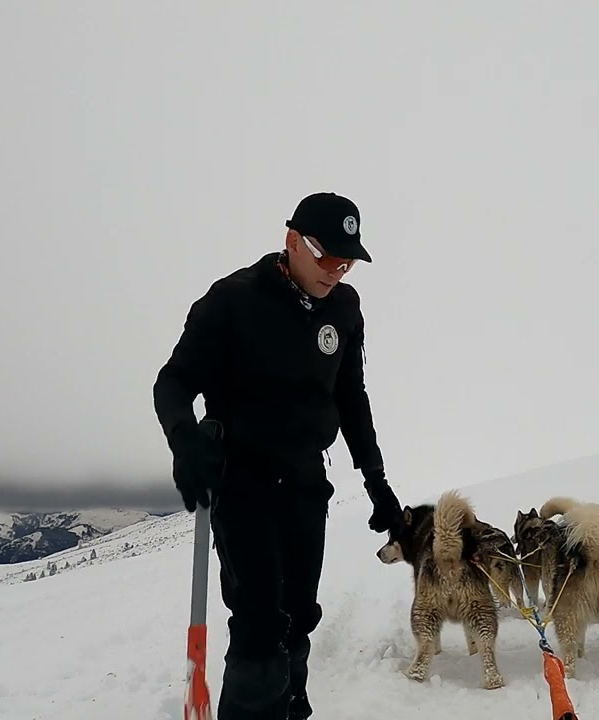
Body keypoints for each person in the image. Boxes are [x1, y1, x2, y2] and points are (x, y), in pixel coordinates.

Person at [153, 191, 407, 720]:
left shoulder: (344, 309)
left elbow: (350, 396)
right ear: (292, 241)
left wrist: (376, 483)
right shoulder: (232, 301)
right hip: (242, 480)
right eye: (328, 257)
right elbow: (173, 382)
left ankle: (291, 707)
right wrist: (184, 440)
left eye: (348, 262)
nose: (337, 272)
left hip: (306, 482)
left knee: (297, 616)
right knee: (258, 621)